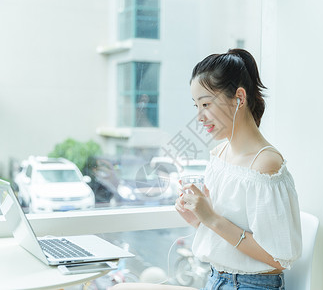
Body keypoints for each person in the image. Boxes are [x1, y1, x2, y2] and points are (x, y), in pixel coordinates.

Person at [113, 49, 302, 290]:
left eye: (206, 104)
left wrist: (211, 219)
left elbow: (278, 258)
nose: (200, 117)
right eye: (196, 106)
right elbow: (228, 236)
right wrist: (199, 220)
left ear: (239, 98)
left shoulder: (266, 164)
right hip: (214, 280)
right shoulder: (218, 154)